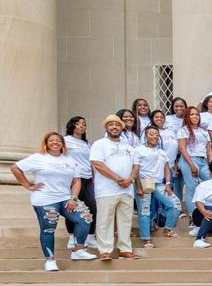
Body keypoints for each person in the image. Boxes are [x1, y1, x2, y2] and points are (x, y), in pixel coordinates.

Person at [13, 132, 98, 271]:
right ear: (46, 143)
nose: (55, 142)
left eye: (58, 140)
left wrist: (73, 198)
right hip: (45, 199)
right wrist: (28, 185)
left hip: (65, 198)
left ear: (62, 144)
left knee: (85, 217)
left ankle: (78, 251)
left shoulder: (69, 160)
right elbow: (15, 168)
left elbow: (77, 181)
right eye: (51, 140)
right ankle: (50, 259)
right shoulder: (38, 158)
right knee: (48, 228)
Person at [90, 115, 140, 260]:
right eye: (111, 124)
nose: (114, 127)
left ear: (122, 127)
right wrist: (118, 178)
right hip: (106, 190)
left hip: (127, 190)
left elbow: (136, 166)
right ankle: (105, 250)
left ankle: (125, 249)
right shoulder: (99, 144)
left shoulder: (129, 148)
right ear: (106, 127)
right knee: (105, 220)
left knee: (126, 220)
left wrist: (130, 179)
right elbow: (97, 164)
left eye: (117, 125)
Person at [133, 126, 179, 248]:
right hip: (144, 183)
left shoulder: (162, 152)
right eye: (151, 134)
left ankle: (167, 229)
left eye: (156, 134)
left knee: (175, 205)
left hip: (158, 184)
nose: (154, 136)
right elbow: (135, 170)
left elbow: (167, 170)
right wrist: (138, 187)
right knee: (144, 211)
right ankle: (146, 239)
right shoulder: (139, 150)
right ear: (146, 136)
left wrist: (168, 184)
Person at [63, 117, 98, 249]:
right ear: (72, 125)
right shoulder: (66, 140)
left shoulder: (86, 144)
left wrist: (94, 178)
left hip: (88, 178)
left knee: (92, 207)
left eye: (84, 124)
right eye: (78, 124)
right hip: (73, 178)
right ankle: (72, 237)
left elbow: (90, 162)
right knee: (72, 207)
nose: (82, 126)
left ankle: (90, 236)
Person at [176, 107, 212, 219]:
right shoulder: (183, 130)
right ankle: (193, 217)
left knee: (210, 184)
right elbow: (182, 149)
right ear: (187, 116)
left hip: (203, 160)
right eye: (192, 114)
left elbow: (209, 150)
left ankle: (207, 212)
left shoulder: (203, 131)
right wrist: (192, 165)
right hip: (189, 160)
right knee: (191, 188)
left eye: (197, 114)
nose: (195, 116)